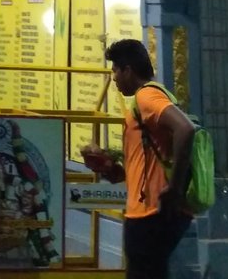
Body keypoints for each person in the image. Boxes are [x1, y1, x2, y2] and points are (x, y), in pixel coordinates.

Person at [81, 39, 196, 279]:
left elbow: (186, 129)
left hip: (150, 213)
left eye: (115, 70)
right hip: (151, 211)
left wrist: (174, 188)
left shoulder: (147, 97)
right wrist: (110, 168)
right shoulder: (155, 97)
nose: (113, 77)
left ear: (128, 70)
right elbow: (143, 164)